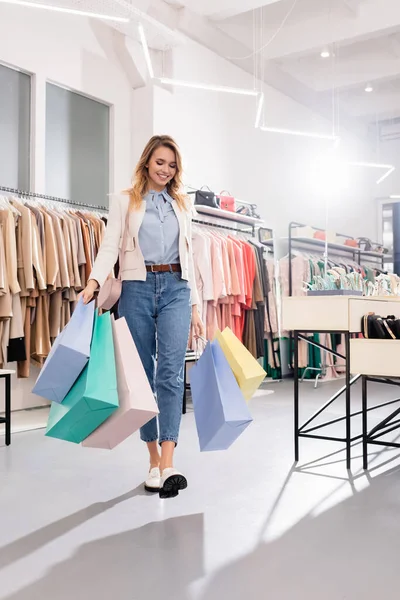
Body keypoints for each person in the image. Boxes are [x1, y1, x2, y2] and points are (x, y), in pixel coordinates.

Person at [81, 135, 204, 499]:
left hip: (176, 288)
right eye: (160, 162)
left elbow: (189, 257)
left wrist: (196, 306)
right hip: (136, 287)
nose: (165, 170)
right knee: (143, 376)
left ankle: (168, 463)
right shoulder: (125, 201)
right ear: (147, 162)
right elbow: (109, 246)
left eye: (172, 165)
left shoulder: (182, 204)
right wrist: (93, 282)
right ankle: (152, 461)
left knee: (171, 372)